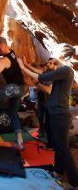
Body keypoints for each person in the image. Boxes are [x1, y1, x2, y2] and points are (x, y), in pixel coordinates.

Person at [18, 47, 78, 189]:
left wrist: (22, 67)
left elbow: (41, 77)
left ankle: (75, 182)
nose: (51, 57)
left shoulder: (66, 70)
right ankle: (57, 171)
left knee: (63, 148)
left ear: (62, 55)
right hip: (56, 114)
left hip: (61, 116)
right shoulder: (60, 72)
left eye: (55, 53)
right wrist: (27, 65)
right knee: (58, 146)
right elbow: (43, 73)